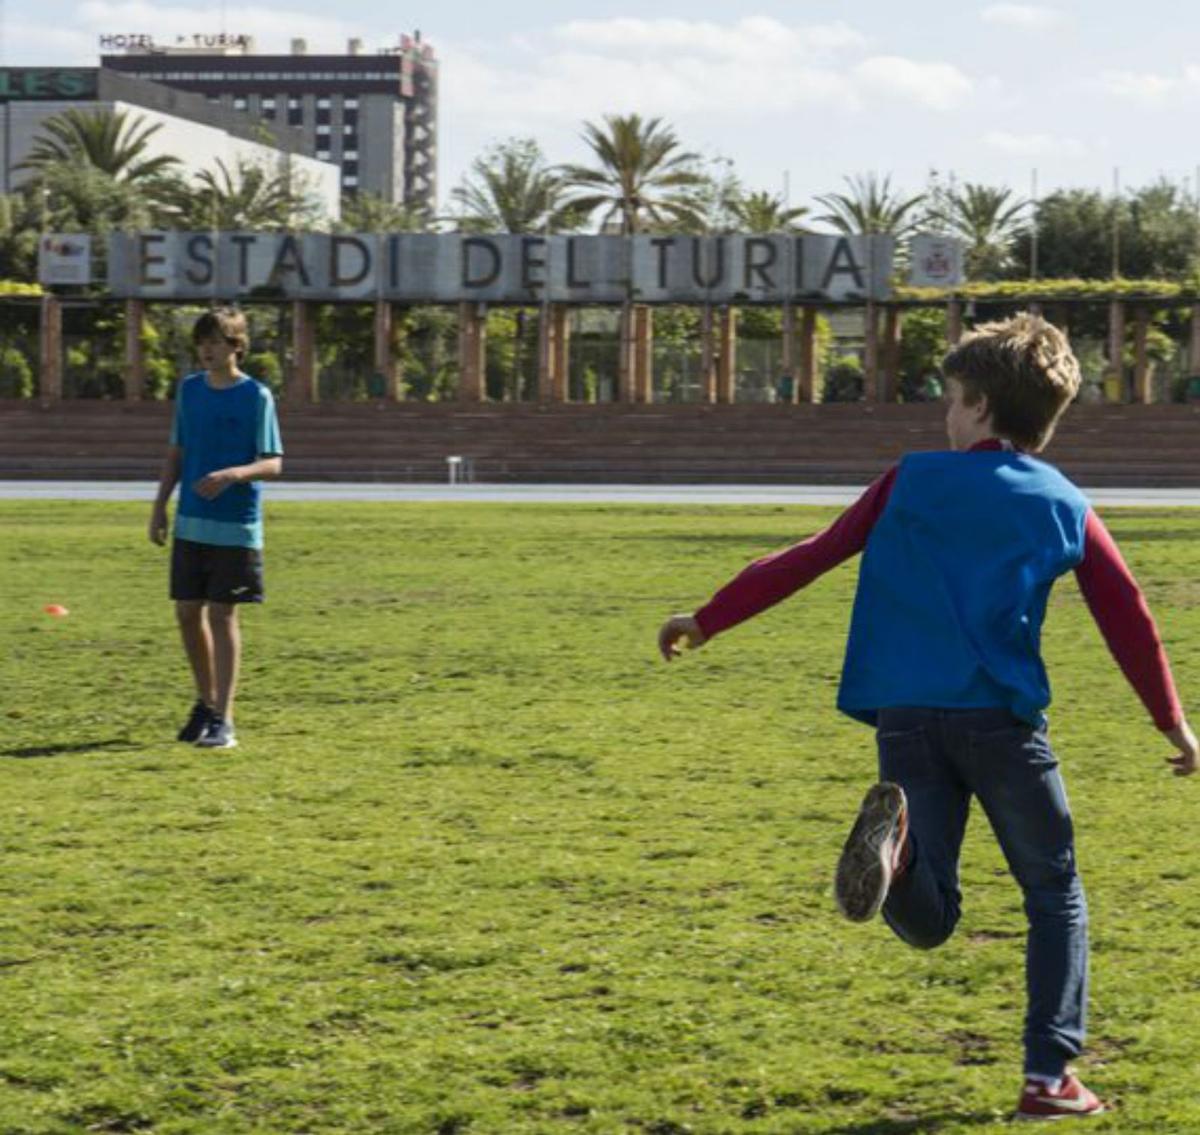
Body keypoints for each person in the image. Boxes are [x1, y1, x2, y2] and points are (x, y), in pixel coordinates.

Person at [657, 313, 1197, 1121]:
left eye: (951, 399)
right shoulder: (1063, 501)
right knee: (1054, 894)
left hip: (905, 718)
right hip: (1003, 728)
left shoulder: (908, 479)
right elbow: (1129, 616)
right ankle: (1050, 1077)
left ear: (978, 405)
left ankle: (900, 858)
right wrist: (1174, 725)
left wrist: (709, 618)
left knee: (932, 916)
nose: (945, 415)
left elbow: (811, 553)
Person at [148, 307, 283, 749]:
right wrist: (159, 507)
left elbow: (274, 462)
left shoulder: (256, 396)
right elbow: (176, 452)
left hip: (235, 527)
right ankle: (205, 703)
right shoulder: (189, 391)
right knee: (187, 612)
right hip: (190, 523)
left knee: (223, 615)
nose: (206, 349)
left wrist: (234, 475)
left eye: (216, 341)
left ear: (236, 345)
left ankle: (225, 719)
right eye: (202, 341)